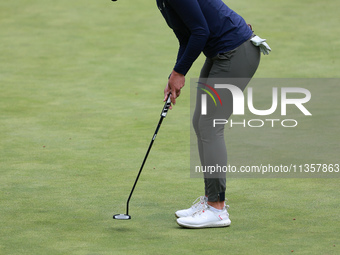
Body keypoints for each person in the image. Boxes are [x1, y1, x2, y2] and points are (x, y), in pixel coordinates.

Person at [156, 0, 270, 228]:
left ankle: (217, 209)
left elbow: (200, 32)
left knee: (210, 125)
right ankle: (210, 200)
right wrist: (176, 73)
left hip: (236, 52)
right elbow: (186, 37)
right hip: (221, 53)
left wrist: (179, 72)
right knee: (201, 123)